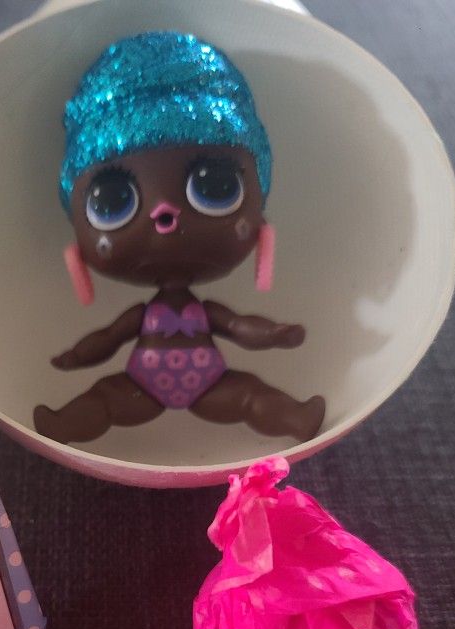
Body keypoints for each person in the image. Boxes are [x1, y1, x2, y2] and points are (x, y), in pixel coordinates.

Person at [34, 32, 324, 445]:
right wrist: (79, 356)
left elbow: (239, 327)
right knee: (105, 400)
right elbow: (110, 338)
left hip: (210, 383)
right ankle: (63, 426)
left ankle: (296, 417)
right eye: (113, 200)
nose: (164, 212)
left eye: (216, 187)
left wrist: (275, 334)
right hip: (142, 385)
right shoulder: (143, 317)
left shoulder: (206, 314)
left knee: (249, 395)